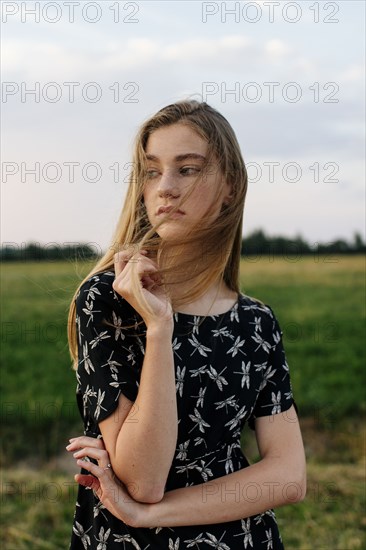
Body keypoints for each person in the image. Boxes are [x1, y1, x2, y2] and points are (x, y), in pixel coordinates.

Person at [66, 100, 306, 549]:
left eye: (188, 169)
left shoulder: (256, 321)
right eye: (152, 171)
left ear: (230, 186)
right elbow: (142, 479)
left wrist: (146, 514)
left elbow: (289, 476)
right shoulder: (108, 301)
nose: (165, 189)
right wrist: (159, 329)